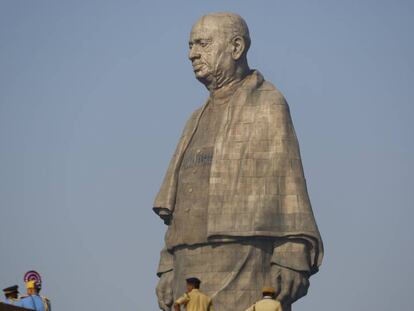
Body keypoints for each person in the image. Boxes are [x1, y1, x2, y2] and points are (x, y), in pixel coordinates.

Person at [154, 12, 323, 311]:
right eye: (191, 45)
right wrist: (168, 263)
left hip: (245, 260)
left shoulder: (268, 103)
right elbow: (178, 206)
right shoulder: (195, 119)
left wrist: (292, 254)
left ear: (235, 47)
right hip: (187, 265)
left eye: (202, 44)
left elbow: (289, 185)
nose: (192, 54)